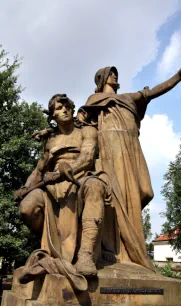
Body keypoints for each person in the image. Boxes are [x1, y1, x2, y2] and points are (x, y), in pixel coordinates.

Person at [77, 62, 181, 271]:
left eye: (115, 73)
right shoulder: (94, 100)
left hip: (132, 147)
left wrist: (177, 77)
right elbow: (81, 123)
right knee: (117, 194)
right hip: (111, 148)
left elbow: (153, 92)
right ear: (101, 79)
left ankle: (128, 242)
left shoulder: (127, 97)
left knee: (145, 192)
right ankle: (113, 249)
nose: (113, 75)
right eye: (109, 73)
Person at [15, 94, 111, 290]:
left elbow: (87, 158)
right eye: (59, 108)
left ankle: (85, 255)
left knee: (95, 186)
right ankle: (50, 248)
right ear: (53, 115)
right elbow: (40, 170)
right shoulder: (50, 141)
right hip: (51, 187)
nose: (64, 110)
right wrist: (25, 188)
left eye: (67, 106)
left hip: (81, 178)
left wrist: (61, 173)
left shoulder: (87, 131)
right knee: (26, 208)